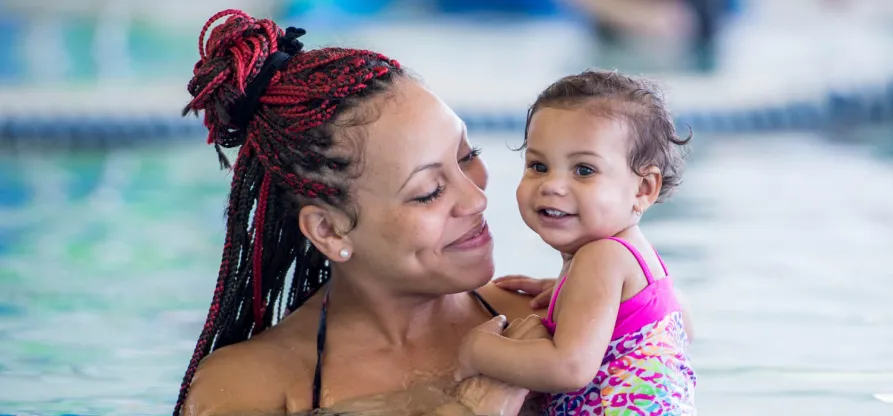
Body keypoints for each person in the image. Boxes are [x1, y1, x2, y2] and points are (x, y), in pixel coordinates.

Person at [172, 9, 700, 416]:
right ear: (330, 230)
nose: (477, 199)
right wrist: (476, 400)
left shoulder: (550, 324)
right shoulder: (252, 386)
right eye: (428, 191)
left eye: (468, 157)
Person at [455, 70, 697, 415]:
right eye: (538, 166)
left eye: (584, 170)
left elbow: (569, 368)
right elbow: (683, 324)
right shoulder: (636, 258)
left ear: (643, 189)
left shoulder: (602, 257)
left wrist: (478, 350)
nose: (552, 185)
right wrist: (580, 295)